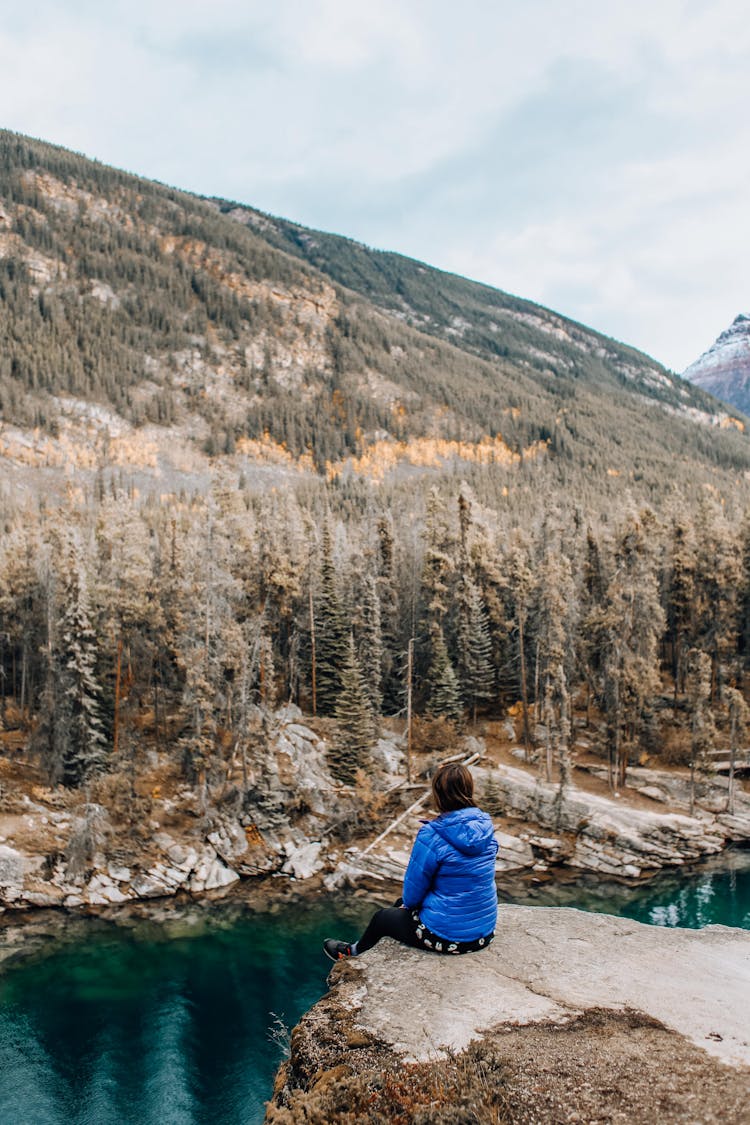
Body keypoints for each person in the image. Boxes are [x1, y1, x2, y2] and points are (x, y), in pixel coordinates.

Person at [324, 762, 498, 960]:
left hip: (449, 939)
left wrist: (407, 905)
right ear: (469, 789)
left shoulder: (432, 835)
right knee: (401, 904)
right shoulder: (486, 829)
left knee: (383, 917)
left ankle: (351, 953)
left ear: (438, 794)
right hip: (484, 933)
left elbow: (414, 893)